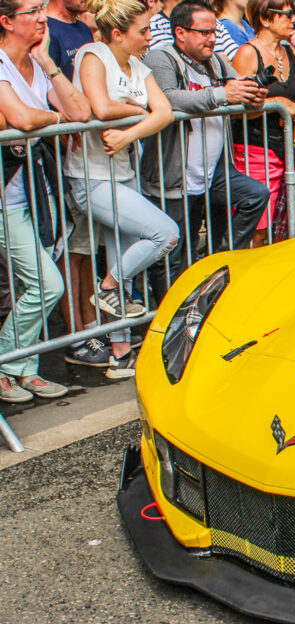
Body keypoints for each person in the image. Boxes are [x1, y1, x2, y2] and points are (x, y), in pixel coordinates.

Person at [67, 0, 178, 378]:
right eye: (143, 31)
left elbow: (164, 113)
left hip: (123, 170)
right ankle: (107, 286)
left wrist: (129, 131)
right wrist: (135, 106)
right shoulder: (93, 55)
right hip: (91, 176)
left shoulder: (141, 64)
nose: (150, 37)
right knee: (166, 233)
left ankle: (119, 353)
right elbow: (99, 107)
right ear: (118, 33)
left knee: (124, 256)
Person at [140, 0, 270, 298]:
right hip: (173, 175)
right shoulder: (161, 58)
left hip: (214, 172)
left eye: (214, 31)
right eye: (204, 32)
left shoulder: (216, 60)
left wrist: (253, 96)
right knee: (173, 255)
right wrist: (222, 94)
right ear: (181, 33)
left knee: (255, 194)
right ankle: (169, 314)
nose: (212, 38)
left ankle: (220, 261)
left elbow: (238, 92)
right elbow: (169, 98)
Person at [0, 0, 91, 402]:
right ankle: (7, 363)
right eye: (32, 11)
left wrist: (49, 64)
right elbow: (20, 119)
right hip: (8, 195)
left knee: (32, 283)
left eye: (41, 8)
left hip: (39, 190)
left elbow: (82, 111)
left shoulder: (36, 64)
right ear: (6, 21)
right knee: (46, 284)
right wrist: (54, 119)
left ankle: (24, 368)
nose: (42, 18)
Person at [232, 0, 295, 245]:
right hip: (254, 152)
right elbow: (234, 110)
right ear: (265, 19)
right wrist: (279, 103)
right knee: (259, 231)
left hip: (287, 151)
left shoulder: (293, 54)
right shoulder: (247, 53)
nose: (294, 19)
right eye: (286, 15)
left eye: (294, 14)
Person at [47, 0, 108, 367]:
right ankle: (76, 336)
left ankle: (90, 325)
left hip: (89, 155)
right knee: (73, 247)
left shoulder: (82, 28)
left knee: (86, 249)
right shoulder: (48, 32)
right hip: (66, 157)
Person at [150, 0, 242, 57]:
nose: (212, 38)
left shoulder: (214, 22)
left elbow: (238, 61)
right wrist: (219, 61)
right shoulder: (155, 26)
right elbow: (174, 64)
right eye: (204, 32)